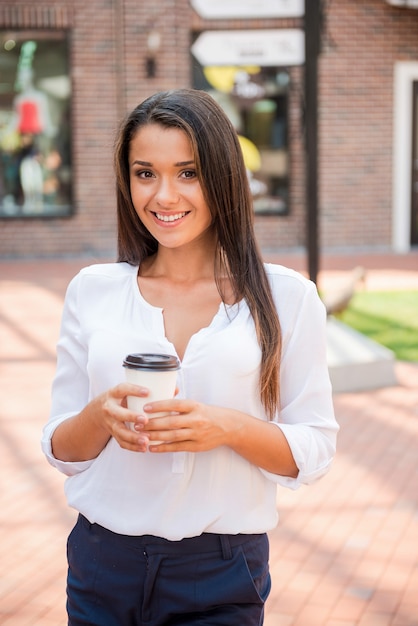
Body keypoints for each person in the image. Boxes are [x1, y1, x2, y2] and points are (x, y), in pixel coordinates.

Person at [41, 88, 338, 626]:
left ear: (222, 177)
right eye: (145, 173)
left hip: (221, 568)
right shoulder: (93, 290)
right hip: (102, 561)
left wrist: (225, 428)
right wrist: (99, 417)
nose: (164, 195)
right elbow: (63, 449)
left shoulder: (287, 298)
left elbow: (314, 448)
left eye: (188, 172)